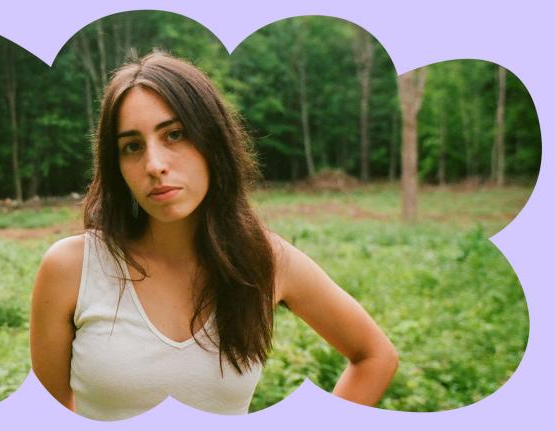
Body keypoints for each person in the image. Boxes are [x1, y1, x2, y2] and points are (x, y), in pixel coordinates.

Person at [29, 51, 398, 421]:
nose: (154, 165)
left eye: (174, 135)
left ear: (213, 142)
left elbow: (375, 356)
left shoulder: (265, 260)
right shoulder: (72, 268)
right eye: (132, 146)